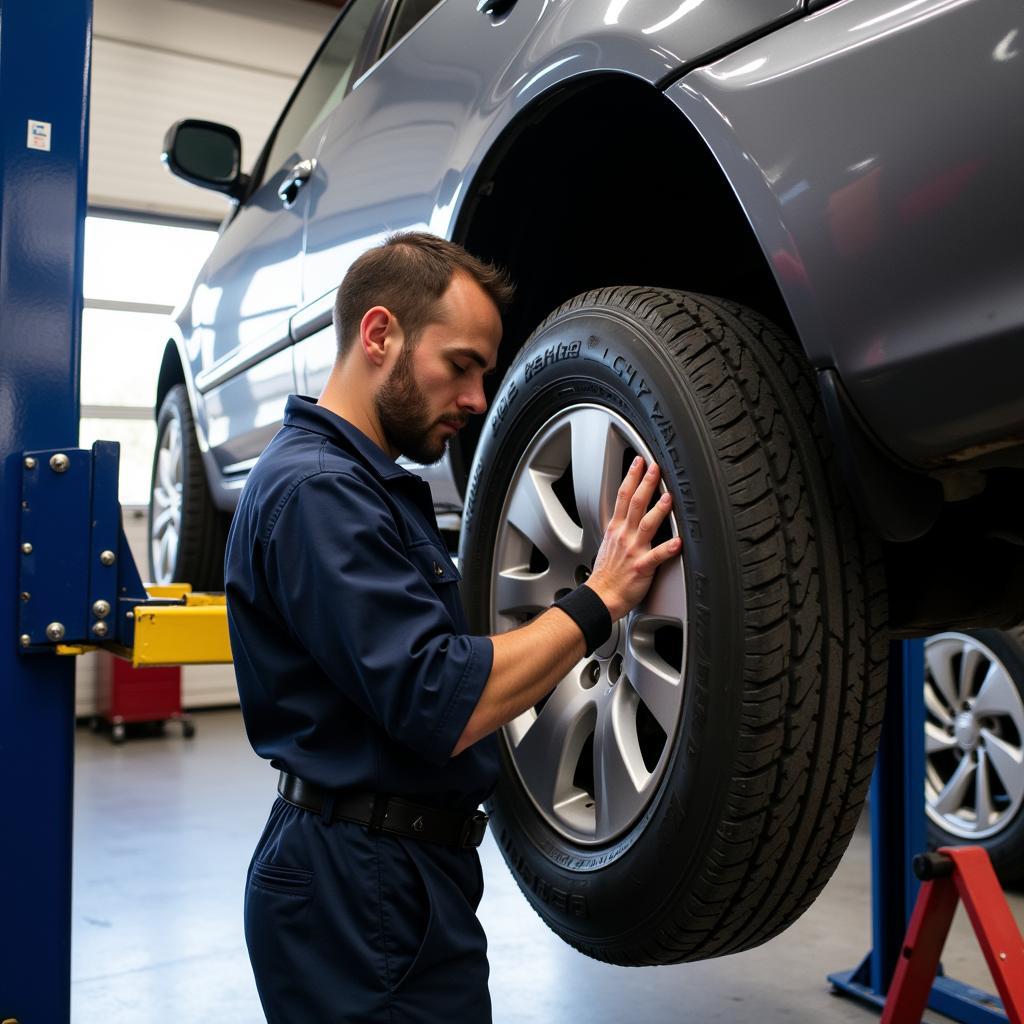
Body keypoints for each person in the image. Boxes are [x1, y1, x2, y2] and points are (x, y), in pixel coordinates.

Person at [224, 232, 680, 1023]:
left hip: (392, 872)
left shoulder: (358, 486)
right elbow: (442, 696)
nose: (477, 400)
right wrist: (599, 600)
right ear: (379, 336)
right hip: (356, 888)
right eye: (460, 365)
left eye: (484, 375)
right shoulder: (319, 495)